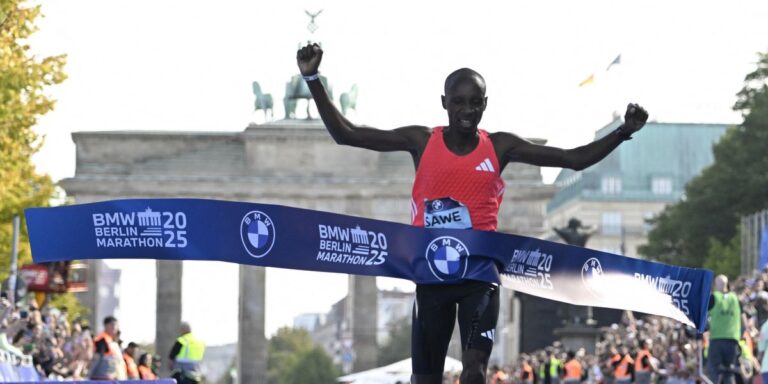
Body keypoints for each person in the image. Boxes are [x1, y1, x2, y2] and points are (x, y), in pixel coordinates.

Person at [296, 43, 648, 384]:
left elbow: (574, 159)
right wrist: (313, 80)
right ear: (444, 103)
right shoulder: (421, 141)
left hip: (479, 276)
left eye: (475, 103)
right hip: (431, 277)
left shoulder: (499, 146)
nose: (467, 110)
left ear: (485, 104)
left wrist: (623, 132)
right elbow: (347, 134)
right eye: (459, 102)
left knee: (475, 369)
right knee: (426, 377)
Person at [708, 275, 748, 384]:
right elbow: (744, 321)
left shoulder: (713, 297)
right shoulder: (736, 299)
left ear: (716, 285)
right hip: (733, 340)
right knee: (729, 371)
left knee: (715, 370)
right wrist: (742, 337)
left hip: (717, 339)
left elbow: (704, 317)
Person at [88, 315, 124, 380]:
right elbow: (96, 358)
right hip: (102, 377)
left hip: (109, 377)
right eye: (112, 325)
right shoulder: (102, 339)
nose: (115, 327)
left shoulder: (110, 340)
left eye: (116, 325)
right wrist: (90, 375)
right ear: (106, 326)